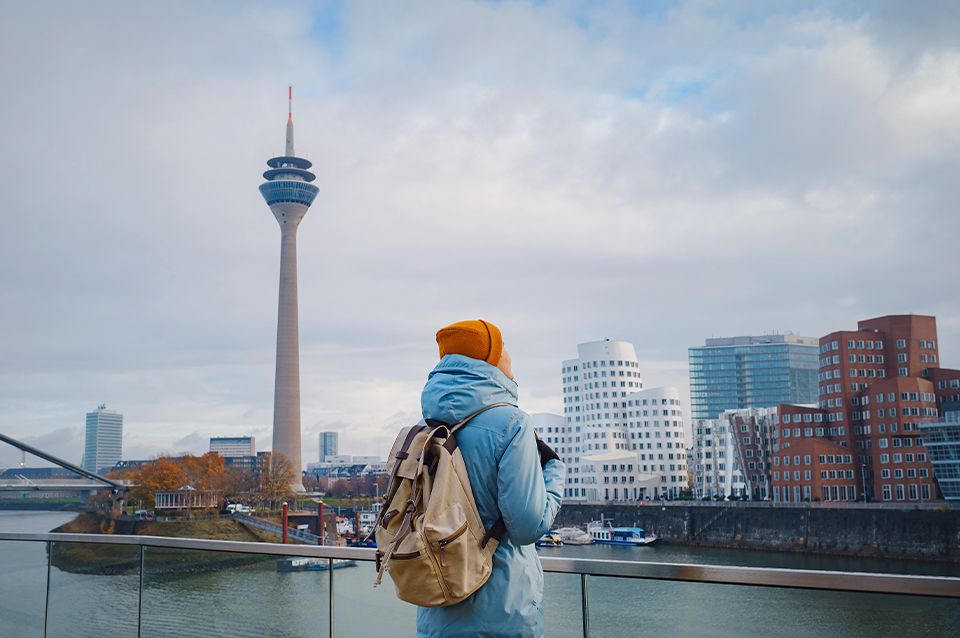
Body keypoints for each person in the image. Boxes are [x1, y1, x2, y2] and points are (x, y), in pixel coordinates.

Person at [416, 319, 565, 638]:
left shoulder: (423, 428)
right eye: (503, 348)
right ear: (490, 358)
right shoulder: (512, 423)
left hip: (437, 606)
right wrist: (554, 473)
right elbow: (526, 527)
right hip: (502, 609)